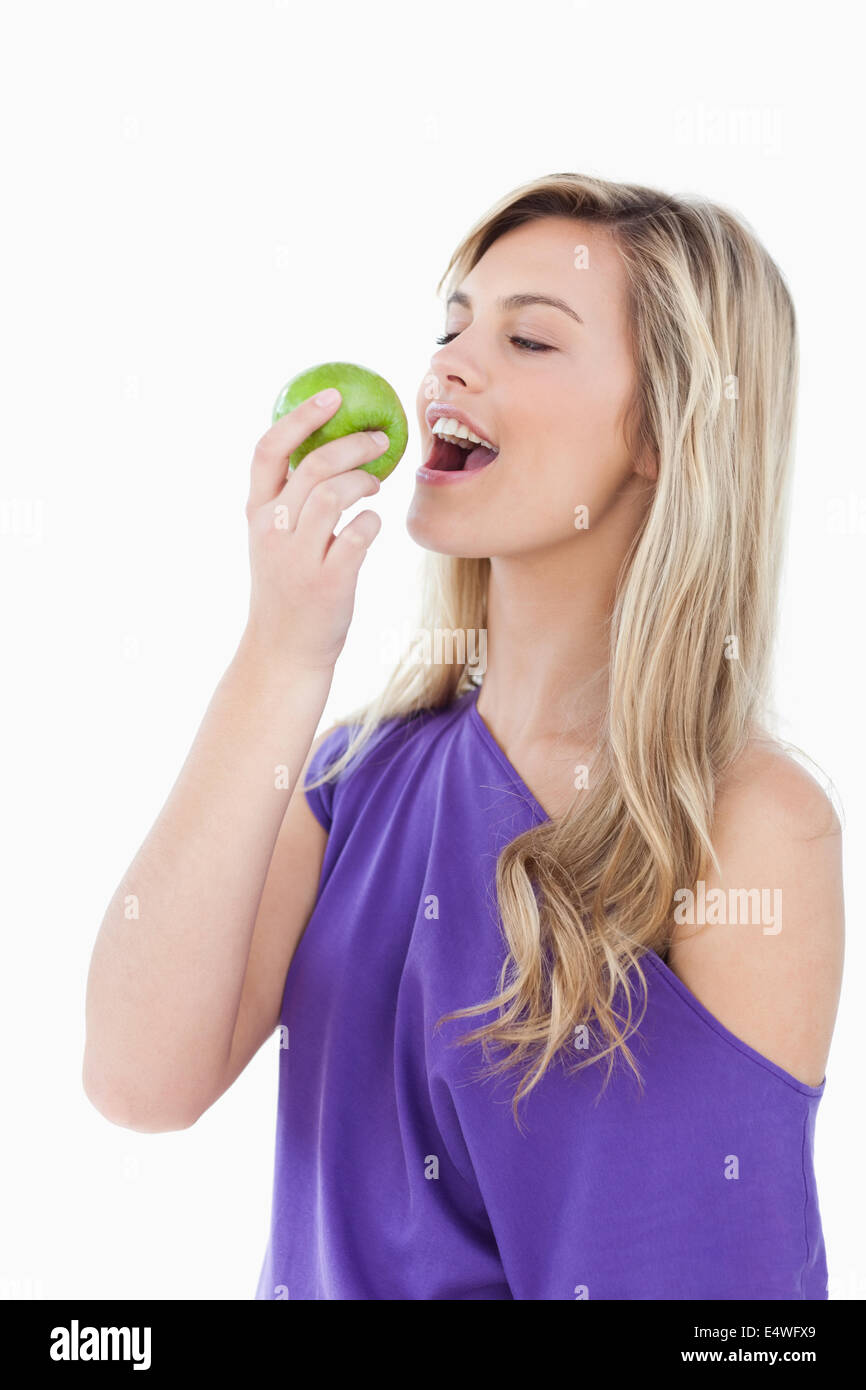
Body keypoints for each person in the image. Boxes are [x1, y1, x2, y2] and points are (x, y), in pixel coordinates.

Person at [83, 172, 844, 1300]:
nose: (446, 363)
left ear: (663, 430)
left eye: (528, 339)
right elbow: (137, 1079)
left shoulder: (742, 828)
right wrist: (283, 650)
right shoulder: (349, 780)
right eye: (451, 324)